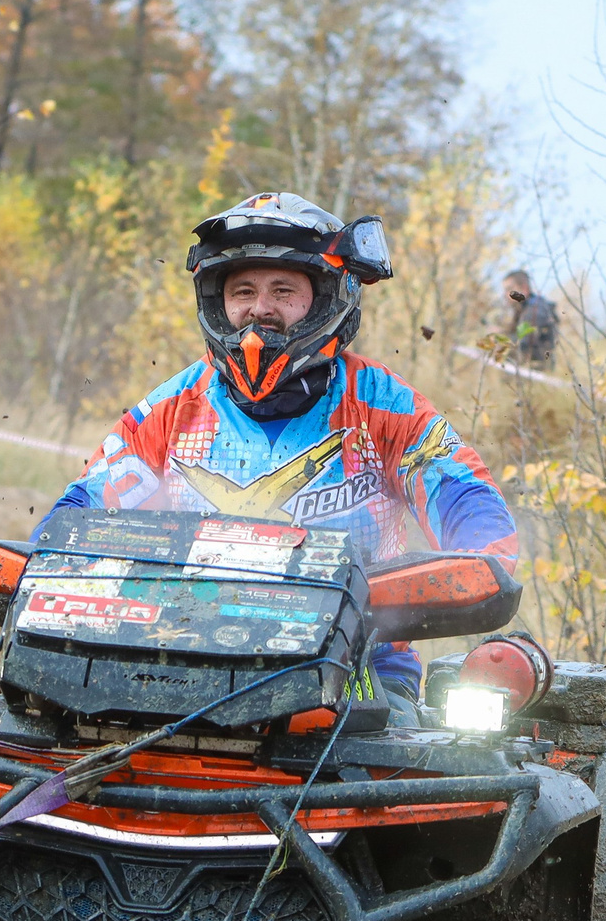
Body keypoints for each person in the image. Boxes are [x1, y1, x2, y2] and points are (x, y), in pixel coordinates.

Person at [42, 191, 519, 717]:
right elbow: (77, 517)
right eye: (242, 289)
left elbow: (466, 498)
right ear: (216, 300)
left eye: (283, 289)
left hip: (357, 679)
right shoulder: (172, 409)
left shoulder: (383, 405)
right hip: (175, 667)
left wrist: (478, 573)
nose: (260, 308)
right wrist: (38, 573)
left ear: (325, 298)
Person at [503, 268, 560, 369]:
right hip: (529, 369)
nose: (506, 295)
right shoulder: (524, 309)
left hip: (538, 372)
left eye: (509, 289)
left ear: (524, 288)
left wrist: (499, 338)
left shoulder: (536, 311)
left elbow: (523, 344)